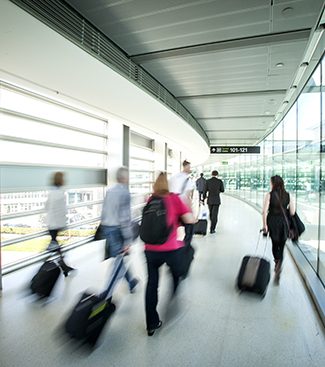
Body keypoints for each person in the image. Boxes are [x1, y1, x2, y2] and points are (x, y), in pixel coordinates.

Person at [144, 172, 195, 336]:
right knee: (177, 273)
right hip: (170, 249)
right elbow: (190, 220)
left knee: (152, 284)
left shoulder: (150, 199)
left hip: (150, 249)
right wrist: (188, 208)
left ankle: (151, 323)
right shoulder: (173, 199)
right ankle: (172, 298)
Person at [100, 167, 138, 293]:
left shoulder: (109, 191)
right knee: (118, 260)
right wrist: (128, 240)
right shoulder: (124, 193)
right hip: (117, 230)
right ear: (125, 178)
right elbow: (124, 218)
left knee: (118, 257)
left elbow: (104, 212)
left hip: (107, 228)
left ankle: (131, 281)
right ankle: (107, 292)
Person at [262, 175, 295, 284]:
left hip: (273, 222)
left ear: (273, 184)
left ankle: (277, 262)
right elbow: (292, 212)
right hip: (284, 223)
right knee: (282, 245)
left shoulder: (269, 195)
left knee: (275, 244)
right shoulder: (289, 195)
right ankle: (279, 264)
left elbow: (264, 211)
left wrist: (265, 225)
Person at [45, 172, 75, 277]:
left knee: (55, 246)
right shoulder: (60, 193)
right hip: (55, 225)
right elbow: (62, 210)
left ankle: (64, 267)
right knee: (54, 246)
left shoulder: (52, 191)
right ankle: (63, 267)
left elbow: (47, 206)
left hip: (51, 224)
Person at [169, 160, 195, 247]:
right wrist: (191, 211)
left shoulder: (173, 177)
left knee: (172, 228)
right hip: (183, 207)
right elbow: (187, 196)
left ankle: (172, 245)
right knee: (189, 228)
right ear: (186, 167)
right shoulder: (188, 180)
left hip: (172, 207)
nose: (190, 169)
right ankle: (185, 247)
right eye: (189, 167)